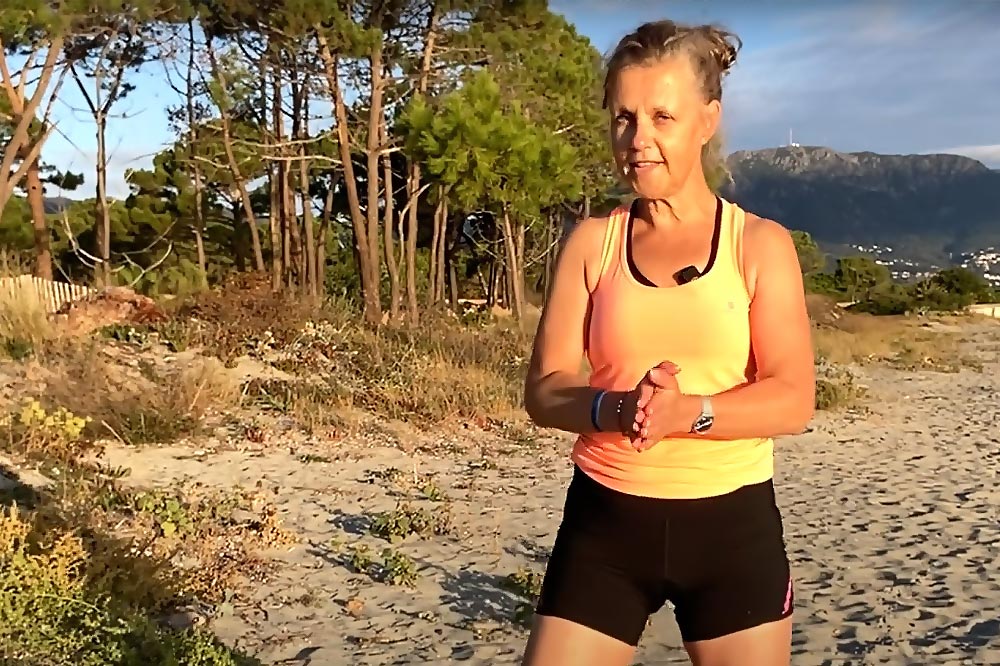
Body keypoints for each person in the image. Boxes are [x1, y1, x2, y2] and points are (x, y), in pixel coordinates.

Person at [520, 18, 816, 666]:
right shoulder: (590, 243)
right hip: (604, 523)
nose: (639, 139)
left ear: (707, 120)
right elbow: (544, 391)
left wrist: (692, 413)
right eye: (624, 118)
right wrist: (615, 409)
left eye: (662, 116)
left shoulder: (760, 245)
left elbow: (793, 399)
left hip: (732, 530)